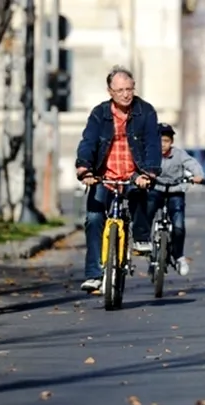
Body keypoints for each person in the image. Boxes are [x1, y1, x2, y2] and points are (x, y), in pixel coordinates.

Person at [75, 65, 162, 292]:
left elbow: (153, 144)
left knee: (144, 194)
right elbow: (88, 142)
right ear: (110, 91)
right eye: (120, 90)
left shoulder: (146, 111)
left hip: (135, 173)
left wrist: (149, 172)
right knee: (94, 219)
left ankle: (141, 236)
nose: (125, 94)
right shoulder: (99, 113)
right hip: (104, 175)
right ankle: (94, 274)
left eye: (129, 89)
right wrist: (84, 169)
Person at [145, 123, 205, 275]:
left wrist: (198, 175)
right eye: (159, 140)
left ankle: (178, 256)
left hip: (175, 191)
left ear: (171, 142)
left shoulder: (179, 154)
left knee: (178, 226)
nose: (162, 144)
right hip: (156, 189)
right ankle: (146, 246)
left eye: (166, 141)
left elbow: (192, 164)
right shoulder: (150, 153)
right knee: (147, 212)